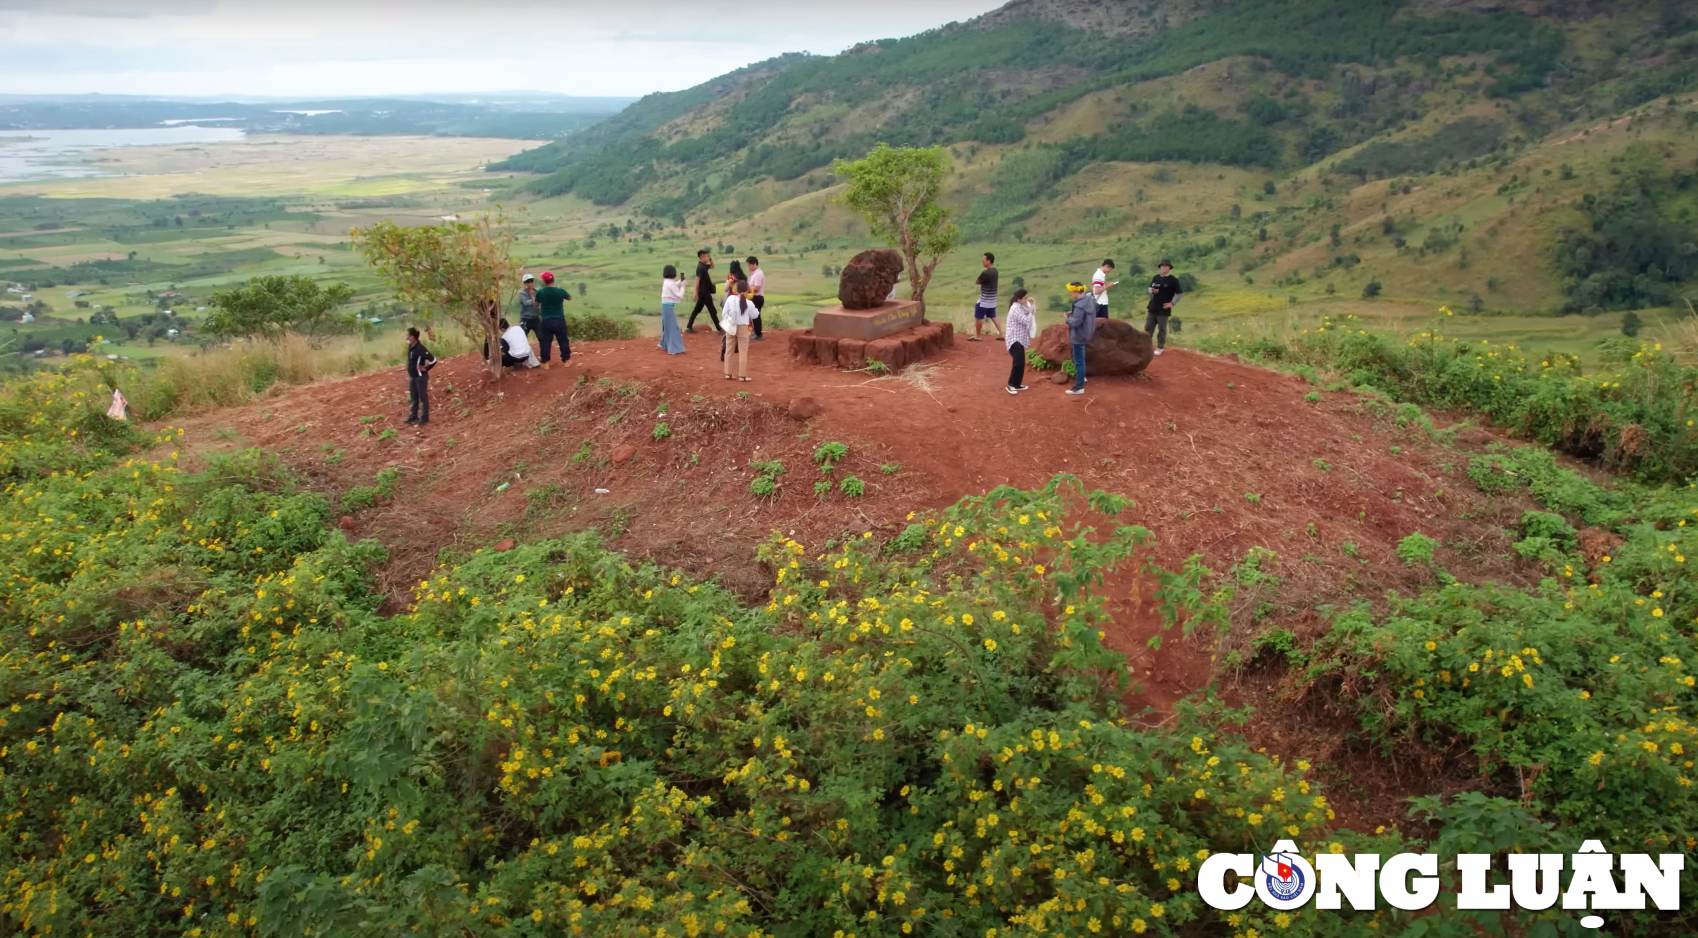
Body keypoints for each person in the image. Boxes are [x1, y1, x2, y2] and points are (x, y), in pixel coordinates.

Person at [1145, 259, 1183, 356]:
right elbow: (1150, 288)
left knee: (1162, 329)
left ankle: (1160, 347)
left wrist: (1172, 303)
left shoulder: (1173, 280)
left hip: (1163, 309)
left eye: (1166, 266)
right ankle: (1146, 347)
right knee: (1148, 328)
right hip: (1153, 307)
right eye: (1162, 266)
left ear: (1169, 268)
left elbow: (1179, 293)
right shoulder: (1156, 277)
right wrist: (1152, 291)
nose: (1163, 268)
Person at [1064, 281, 1096, 395]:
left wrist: (1067, 319)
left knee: (1079, 361)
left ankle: (1079, 387)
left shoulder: (1079, 305)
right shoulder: (1089, 301)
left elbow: (1076, 322)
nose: (1071, 294)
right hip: (1086, 333)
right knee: (1080, 359)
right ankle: (1081, 378)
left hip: (1079, 335)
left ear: (1076, 291)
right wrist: (1073, 313)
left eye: (1071, 292)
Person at [535, 271, 572, 365]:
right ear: (553, 279)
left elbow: (536, 304)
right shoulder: (561, 291)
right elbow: (569, 298)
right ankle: (566, 360)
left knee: (546, 342)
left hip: (546, 320)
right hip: (559, 319)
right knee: (563, 340)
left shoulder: (541, 292)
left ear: (544, 281)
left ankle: (545, 362)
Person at [1004, 288, 1036, 394]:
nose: (1026, 299)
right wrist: (1031, 311)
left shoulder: (1020, 306)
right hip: (1014, 338)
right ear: (1019, 299)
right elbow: (1026, 320)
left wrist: (1032, 305)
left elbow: (1031, 313)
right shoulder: (1015, 309)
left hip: (1019, 338)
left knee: (1020, 362)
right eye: (1025, 298)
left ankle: (1017, 384)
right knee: (1019, 362)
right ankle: (1011, 384)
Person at [722, 278, 754, 381]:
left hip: (730, 326)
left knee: (729, 350)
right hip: (743, 327)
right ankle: (742, 376)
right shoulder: (748, 303)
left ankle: (728, 373)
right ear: (747, 290)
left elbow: (724, 313)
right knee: (743, 351)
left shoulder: (731, 298)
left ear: (736, 288)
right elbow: (755, 315)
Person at [404, 326, 437, 424]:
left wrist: (426, 368)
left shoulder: (420, 348)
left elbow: (433, 360)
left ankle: (424, 417)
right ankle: (413, 416)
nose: (406, 338)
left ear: (412, 337)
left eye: (408, 336)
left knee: (422, 397)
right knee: (414, 397)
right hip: (413, 376)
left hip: (420, 377)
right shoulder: (411, 346)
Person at [970, 252, 1002, 341]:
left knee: (979, 317)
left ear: (988, 261)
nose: (982, 262)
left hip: (984, 301)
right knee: (993, 317)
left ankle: (978, 335)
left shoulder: (985, 273)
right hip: (992, 300)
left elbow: (977, 281)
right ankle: (1001, 334)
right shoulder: (995, 271)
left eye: (984, 260)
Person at [687, 249, 720, 334]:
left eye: (708, 256)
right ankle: (719, 328)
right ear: (702, 257)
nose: (707, 257)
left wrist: (710, 260)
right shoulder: (700, 267)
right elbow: (697, 280)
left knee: (696, 310)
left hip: (704, 292)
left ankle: (689, 326)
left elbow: (712, 266)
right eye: (706, 256)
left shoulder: (704, 265)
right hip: (704, 292)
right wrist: (695, 292)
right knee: (712, 310)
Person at [659, 264, 686, 355]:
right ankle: (674, 348)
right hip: (668, 307)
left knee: (667, 326)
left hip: (665, 306)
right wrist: (683, 287)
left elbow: (674, 285)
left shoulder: (667, 281)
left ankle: (664, 344)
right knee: (672, 327)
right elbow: (679, 295)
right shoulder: (670, 283)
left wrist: (680, 282)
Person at [746, 256, 765, 340]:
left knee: (756, 316)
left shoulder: (758, 274)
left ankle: (758, 334)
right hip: (755, 297)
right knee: (755, 316)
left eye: (749, 265)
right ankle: (756, 332)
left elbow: (757, 288)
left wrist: (748, 288)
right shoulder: (755, 274)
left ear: (755, 264)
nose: (748, 267)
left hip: (757, 297)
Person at [516, 273, 540, 339]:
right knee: (522, 337)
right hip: (525, 319)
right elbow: (525, 302)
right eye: (527, 282)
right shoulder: (522, 293)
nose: (530, 284)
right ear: (524, 283)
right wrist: (535, 300)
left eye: (531, 281)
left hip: (535, 318)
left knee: (542, 336)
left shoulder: (537, 292)